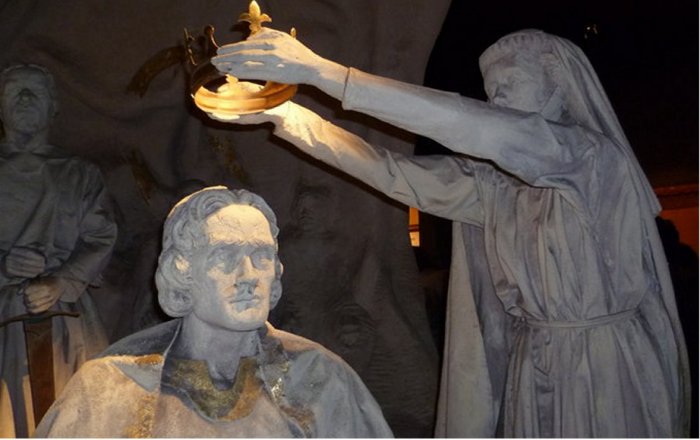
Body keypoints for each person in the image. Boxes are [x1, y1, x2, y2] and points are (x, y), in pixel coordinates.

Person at [207, 28, 691, 437]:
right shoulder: (497, 185)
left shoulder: (588, 158)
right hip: (533, 359)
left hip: (604, 365)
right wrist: (291, 118)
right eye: (491, 88)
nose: (496, 97)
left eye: (512, 82)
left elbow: (475, 127)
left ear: (558, 86)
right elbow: (394, 174)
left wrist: (322, 73)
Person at [35, 186, 393, 437]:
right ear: (182, 270)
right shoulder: (107, 388)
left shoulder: (323, 379)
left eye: (262, 257)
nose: (249, 277)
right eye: (225, 257)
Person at [0, 64, 117, 437]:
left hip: (65, 321)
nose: (24, 98)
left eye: (35, 91)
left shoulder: (80, 174)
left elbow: (100, 238)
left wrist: (59, 282)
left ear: (54, 107)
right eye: (14, 89)